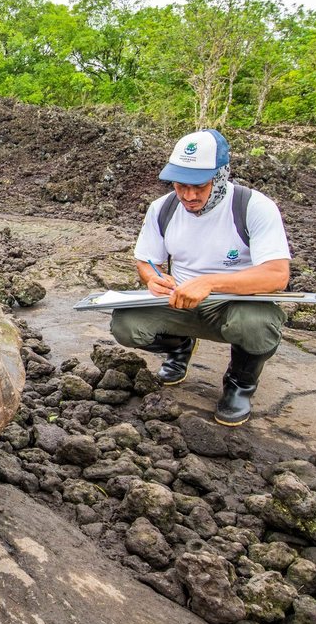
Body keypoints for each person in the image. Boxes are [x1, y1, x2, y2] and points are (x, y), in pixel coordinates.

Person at [110, 129, 291, 426]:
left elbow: (276, 275)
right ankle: (180, 347)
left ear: (220, 177)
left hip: (234, 304)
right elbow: (146, 260)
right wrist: (153, 277)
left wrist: (210, 283)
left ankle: (239, 384)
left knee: (257, 325)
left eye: (199, 186)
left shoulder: (254, 207)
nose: (189, 196)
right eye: (181, 186)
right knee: (126, 324)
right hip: (180, 301)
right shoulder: (163, 208)